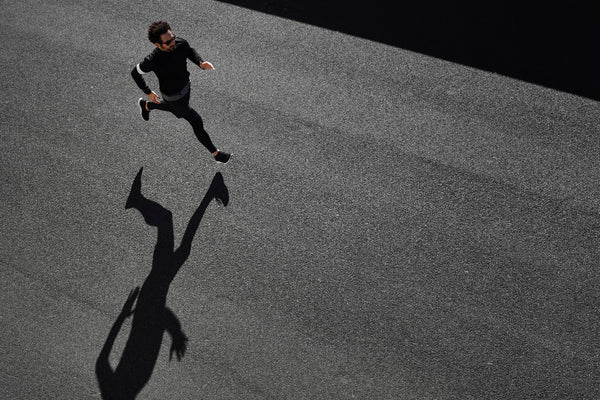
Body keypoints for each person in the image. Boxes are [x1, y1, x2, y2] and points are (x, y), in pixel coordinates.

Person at [131, 21, 231, 163]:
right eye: (168, 42)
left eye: (172, 38)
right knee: (195, 120)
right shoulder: (152, 60)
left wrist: (200, 63)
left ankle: (146, 106)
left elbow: (189, 51)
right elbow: (135, 73)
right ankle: (217, 154)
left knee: (176, 111)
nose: (173, 42)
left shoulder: (180, 43)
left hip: (186, 87)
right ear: (157, 45)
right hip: (173, 96)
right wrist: (148, 92)